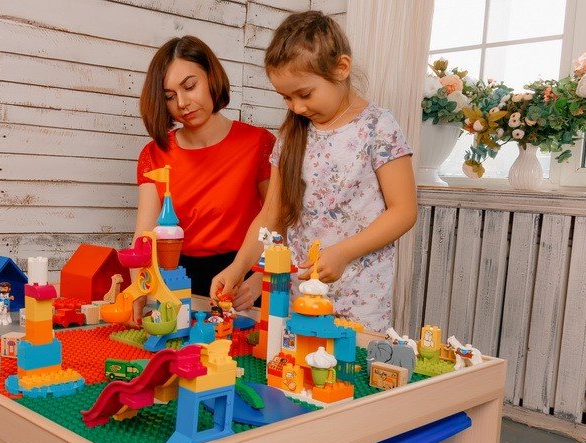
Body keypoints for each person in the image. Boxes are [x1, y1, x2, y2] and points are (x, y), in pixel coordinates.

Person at [210, 11, 417, 332]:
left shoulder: (378, 126)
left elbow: (403, 211)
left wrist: (343, 253)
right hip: (298, 295)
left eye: (305, 94)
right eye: (286, 97)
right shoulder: (292, 135)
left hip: (360, 298)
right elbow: (271, 214)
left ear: (341, 68)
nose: (297, 107)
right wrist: (237, 268)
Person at [132, 35, 276, 323]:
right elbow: (144, 236)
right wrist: (138, 289)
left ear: (211, 76)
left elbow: (278, 220)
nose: (182, 103)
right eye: (169, 96)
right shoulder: (153, 154)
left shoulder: (258, 143)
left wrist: (259, 280)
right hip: (175, 283)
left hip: (242, 279)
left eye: (189, 86)